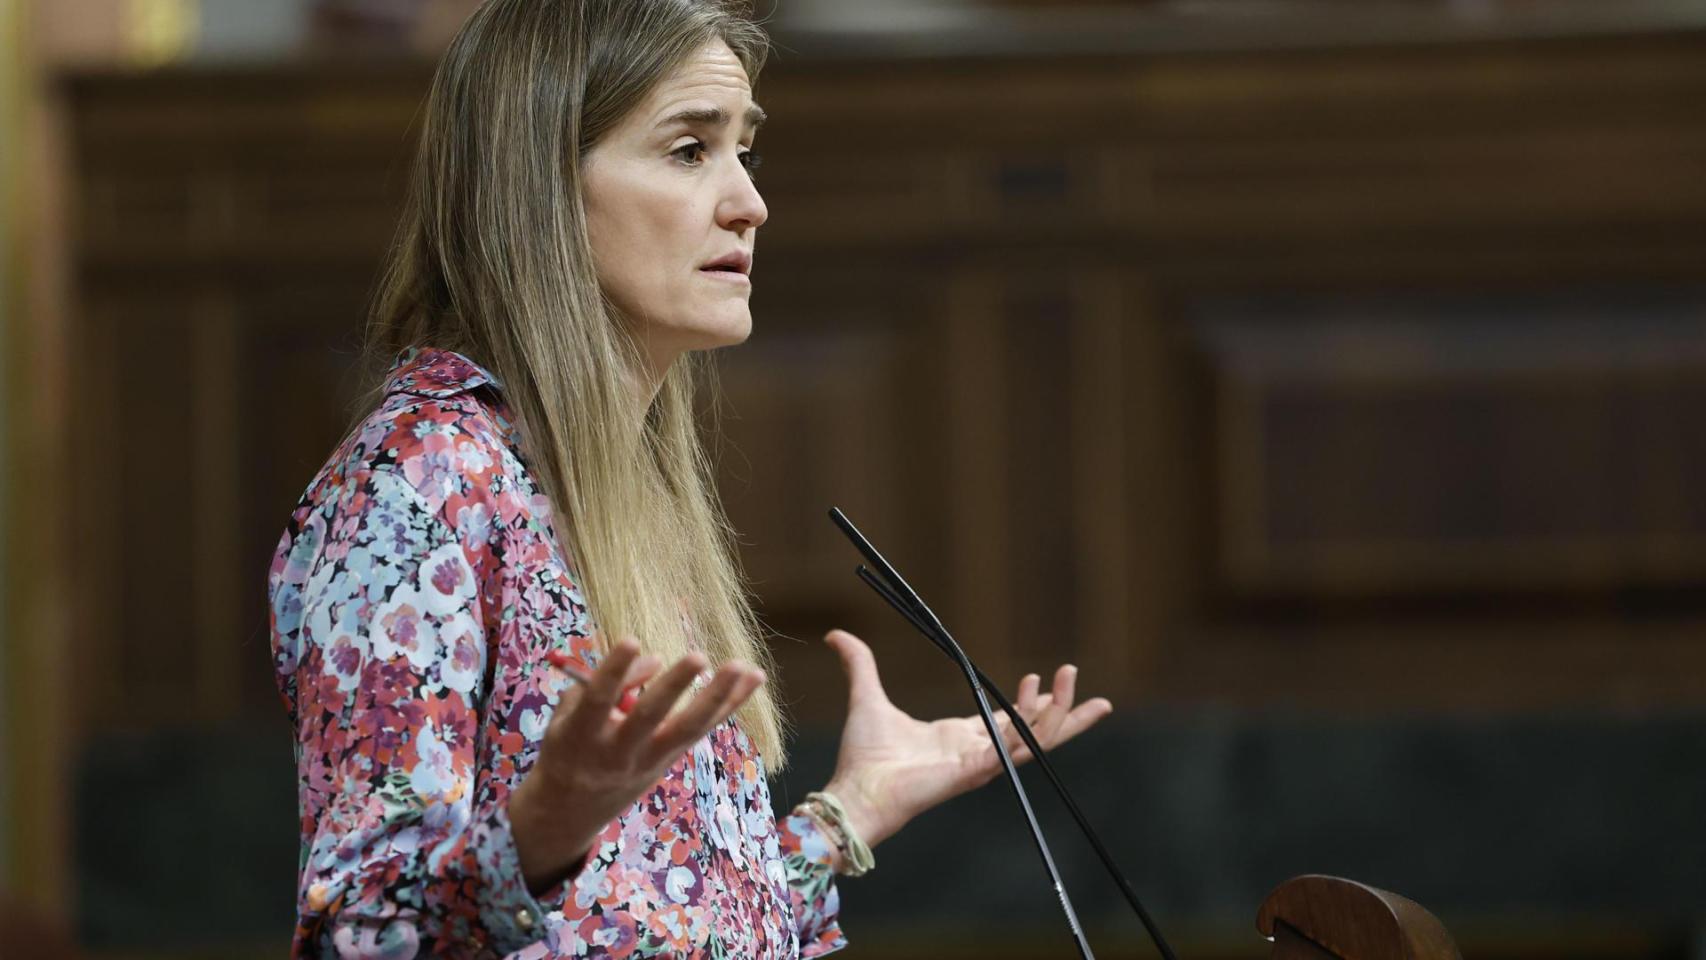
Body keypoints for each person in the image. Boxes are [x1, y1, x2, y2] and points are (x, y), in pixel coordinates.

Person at [266, 0, 1113, 956]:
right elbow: (356, 937)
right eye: (688, 150)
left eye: (744, 151)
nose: (750, 202)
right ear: (538, 188)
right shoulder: (415, 486)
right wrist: (537, 838)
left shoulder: (613, 481)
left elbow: (650, 917)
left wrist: (848, 815)